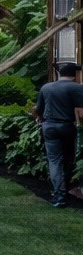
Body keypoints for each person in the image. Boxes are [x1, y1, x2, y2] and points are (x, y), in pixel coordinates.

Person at [34, 62, 83, 206]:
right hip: (66, 126)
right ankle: (66, 188)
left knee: (54, 160)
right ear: (75, 75)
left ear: (59, 74)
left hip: (48, 126)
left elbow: (39, 109)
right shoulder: (76, 87)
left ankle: (59, 195)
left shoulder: (46, 87)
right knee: (68, 158)